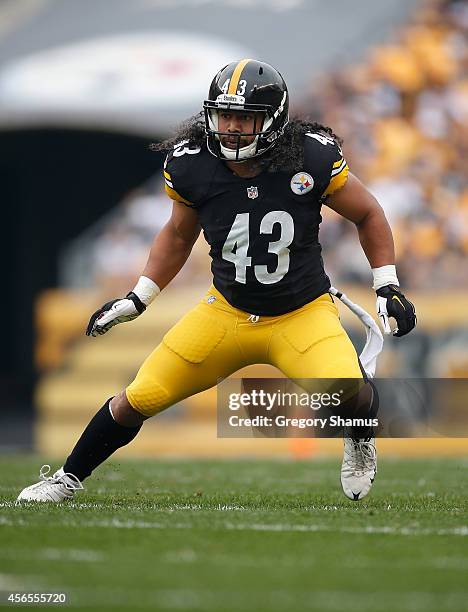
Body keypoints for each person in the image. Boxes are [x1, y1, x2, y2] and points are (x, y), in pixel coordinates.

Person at [17, 59, 416, 504]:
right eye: (225, 115)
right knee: (138, 398)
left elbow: (368, 213)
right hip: (225, 313)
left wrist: (387, 284)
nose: (230, 128)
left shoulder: (312, 157)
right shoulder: (193, 165)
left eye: (243, 118)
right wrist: (139, 296)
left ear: (273, 121)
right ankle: (66, 479)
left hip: (301, 312)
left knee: (349, 399)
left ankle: (359, 440)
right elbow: (178, 234)